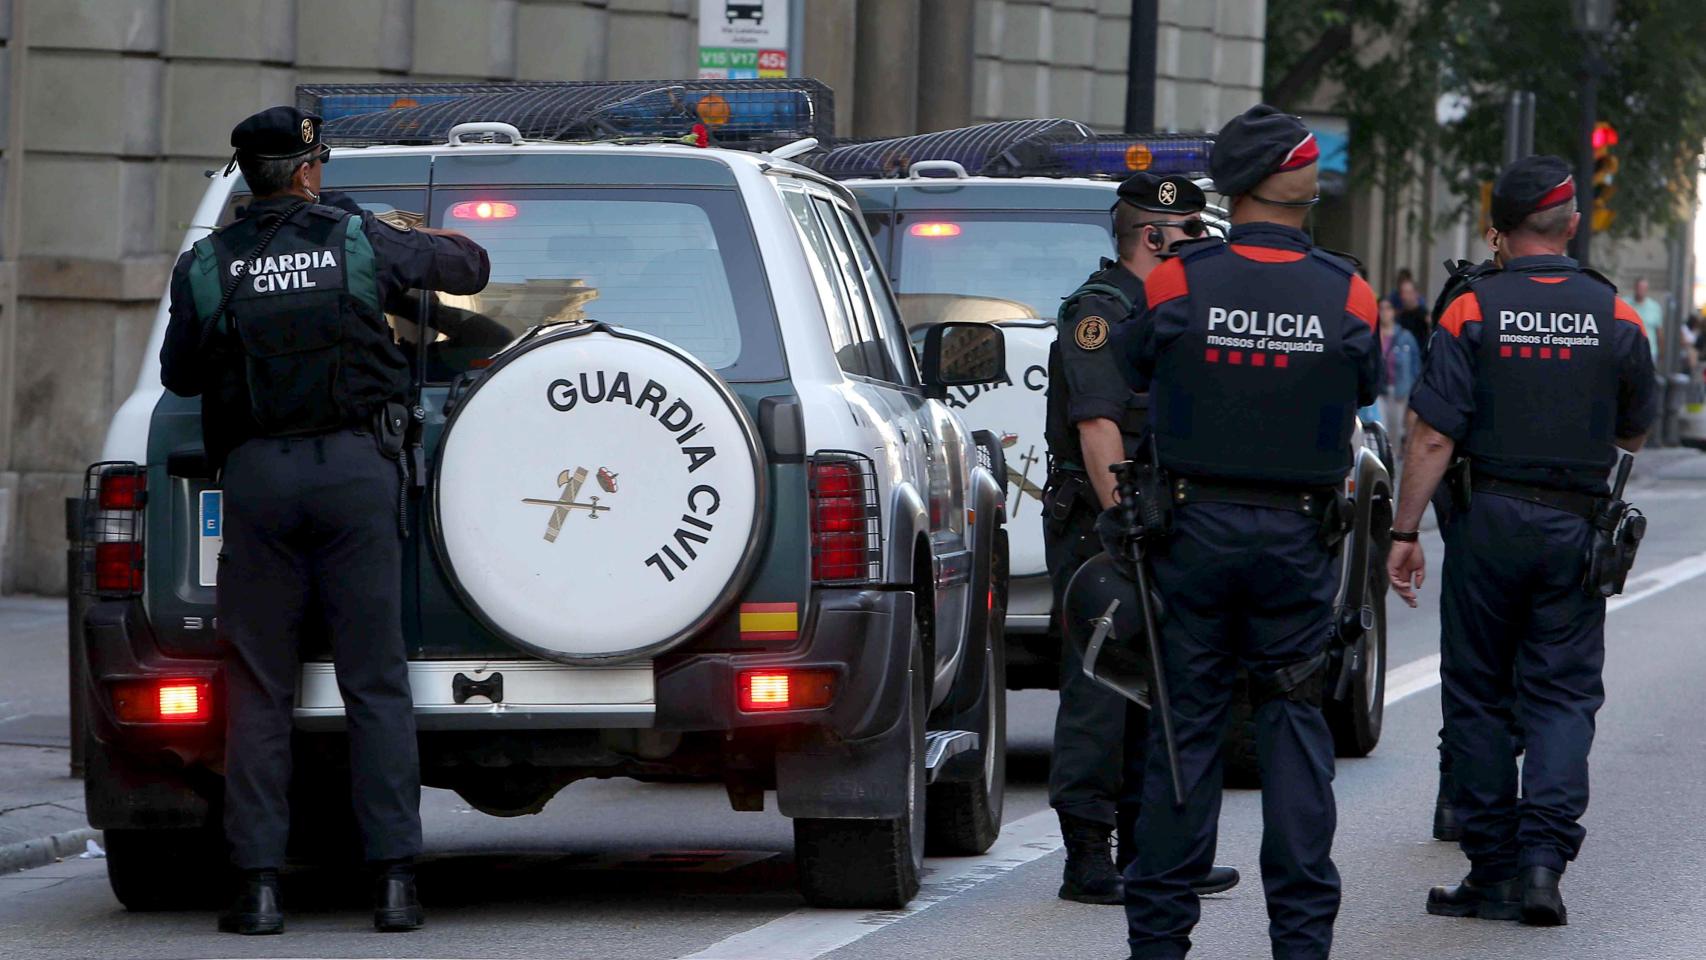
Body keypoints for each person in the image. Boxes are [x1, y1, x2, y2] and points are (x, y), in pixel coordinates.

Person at [159, 106, 491, 935]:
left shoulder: (208, 263)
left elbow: (181, 374)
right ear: (309, 170)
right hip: (354, 476)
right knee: (374, 681)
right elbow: (472, 267)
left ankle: (260, 890)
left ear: (246, 177)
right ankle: (394, 887)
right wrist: (372, 230)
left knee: (261, 690)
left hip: (261, 480)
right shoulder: (357, 240)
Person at [1116, 105, 1380, 959]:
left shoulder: (1176, 280)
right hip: (1298, 538)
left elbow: (1134, 368)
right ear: (1300, 186)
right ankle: (1301, 945)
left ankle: (1160, 942)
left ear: (1237, 185)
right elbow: (1367, 381)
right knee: (1296, 728)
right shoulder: (1349, 289)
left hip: (1191, 529)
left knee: (1183, 729)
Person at [1387, 154, 1658, 927]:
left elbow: (1433, 434)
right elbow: (1636, 419)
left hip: (1488, 523)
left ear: (1498, 231)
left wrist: (1405, 530)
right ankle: (1544, 866)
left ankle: (1493, 871)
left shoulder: (1470, 308)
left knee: (1478, 696)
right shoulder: (1616, 313)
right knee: (1564, 695)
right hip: (1574, 524)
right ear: (1572, 224)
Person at [1042, 172, 1238, 905]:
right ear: (1152, 236)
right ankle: (1088, 855)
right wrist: (1121, 519)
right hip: (1103, 524)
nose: (1201, 246)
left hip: (1163, 516)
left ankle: (1148, 849)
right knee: (1101, 682)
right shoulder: (1102, 313)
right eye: (1191, 233)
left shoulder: (1173, 309)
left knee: (1160, 684)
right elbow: (1098, 426)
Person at [1378, 297, 1423, 445]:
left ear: (1394, 312)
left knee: (1397, 431)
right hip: (1379, 390)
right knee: (1381, 428)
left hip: (1400, 390)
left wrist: (1415, 393)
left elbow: (1416, 366)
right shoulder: (1374, 336)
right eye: (1381, 308)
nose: (1385, 313)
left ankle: (1393, 462)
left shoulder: (1405, 337)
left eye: (1388, 308)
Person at [1629, 276, 1664, 365]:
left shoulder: (1654, 307)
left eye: (1644, 288)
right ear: (1635, 288)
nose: (1641, 290)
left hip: (1650, 352)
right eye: (1639, 287)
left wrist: (1661, 350)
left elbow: (1659, 331)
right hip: (1630, 351)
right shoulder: (1626, 304)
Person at [1395, 274, 1432, 357]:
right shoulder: (1399, 317)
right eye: (1402, 293)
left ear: (1416, 294)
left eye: (1408, 292)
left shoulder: (1425, 316)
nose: (1404, 296)